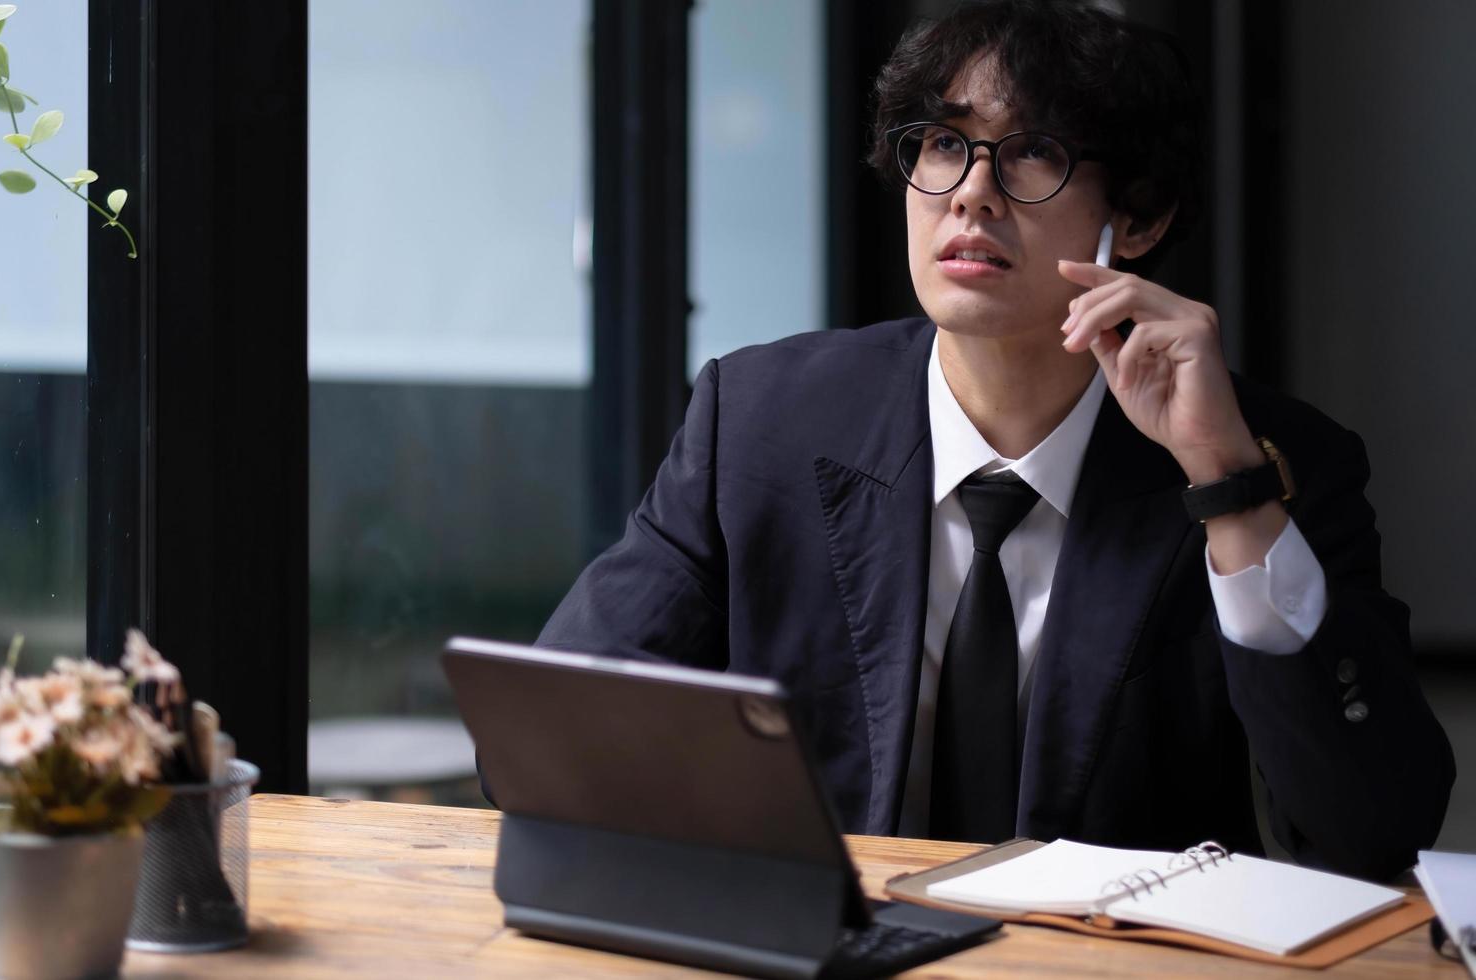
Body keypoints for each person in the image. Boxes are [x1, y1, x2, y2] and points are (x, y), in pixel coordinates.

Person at [536, 0, 1452, 880]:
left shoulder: (1274, 460)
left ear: (1137, 218)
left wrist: (1225, 489)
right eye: (941, 144)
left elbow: (1370, 833)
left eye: (1032, 155)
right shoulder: (760, 416)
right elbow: (554, 735)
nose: (971, 193)